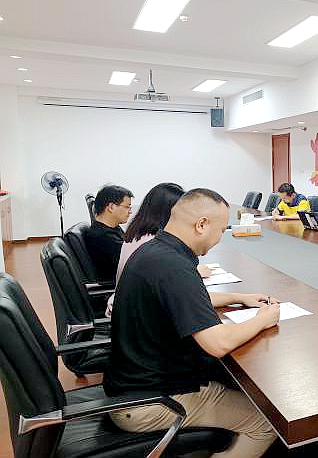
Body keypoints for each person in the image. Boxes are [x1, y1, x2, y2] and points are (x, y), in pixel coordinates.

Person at [104, 188, 280, 458]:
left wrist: (238, 297)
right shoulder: (173, 266)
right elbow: (218, 344)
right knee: (267, 422)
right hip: (151, 402)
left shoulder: (157, 251)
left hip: (132, 386)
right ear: (201, 225)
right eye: (220, 231)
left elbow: (182, 298)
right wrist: (262, 319)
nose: (220, 239)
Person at [106, 182, 212, 316]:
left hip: (130, 306)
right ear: (169, 212)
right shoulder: (154, 244)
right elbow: (174, 283)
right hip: (141, 312)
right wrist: (194, 272)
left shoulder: (139, 232)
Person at [85, 184, 134, 281]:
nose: (130, 212)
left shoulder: (111, 227)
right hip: (120, 284)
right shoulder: (102, 236)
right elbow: (132, 258)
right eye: (127, 207)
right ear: (111, 207)